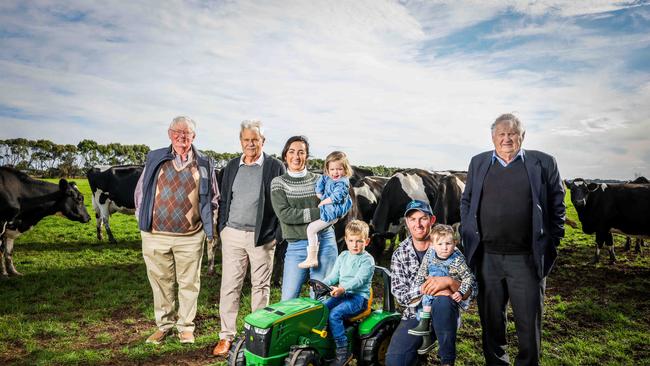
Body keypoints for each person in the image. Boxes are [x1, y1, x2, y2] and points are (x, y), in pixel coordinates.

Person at [460, 113, 565, 366]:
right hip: (487, 258)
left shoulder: (544, 163)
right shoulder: (478, 162)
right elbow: (467, 200)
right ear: (493, 137)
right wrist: (467, 230)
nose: (507, 138)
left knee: (529, 322)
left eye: (512, 133)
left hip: (526, 259)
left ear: (522, 136)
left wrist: (552, 241)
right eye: (501, 134)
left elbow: (557, 204)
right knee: (491, 321)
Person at [134, 116, 219, 345]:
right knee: (161, 282)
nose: (182, 137)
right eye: (178, 132)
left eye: (187, 133)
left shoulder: (204, 162)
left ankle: (186, 328)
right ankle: (164, 326)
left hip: (190, 236)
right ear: (170, 134)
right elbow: (141, 192)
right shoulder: (155, 157)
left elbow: (213, 197)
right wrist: (143, 220)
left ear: (194, 136)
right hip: (155, 235)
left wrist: (206, 227)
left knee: (189, 283)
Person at [211, 120, 286, 357]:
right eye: (246, 139)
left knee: (260, 286)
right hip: (232, 234)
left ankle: (257, 336)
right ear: (241, 141)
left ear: (263, 141)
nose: (250, 144)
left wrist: (275, 233)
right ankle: (226, 336)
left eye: (255, 139)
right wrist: (222, 227)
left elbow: (281, 202)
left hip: (261, 237)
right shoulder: (232, 165)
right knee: (229, 286)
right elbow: (224, 200)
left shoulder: (275, 166)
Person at [386, 200, 462, 366]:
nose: (418, 224)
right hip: (415, 315)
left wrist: (448, 281)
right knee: (394, 361)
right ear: (406, 222)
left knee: (443, 302)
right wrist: (427, 289)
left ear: (432, 220)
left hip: (444, 313)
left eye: (423, 218)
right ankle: (417, 355)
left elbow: (467, 288)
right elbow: (400, 295)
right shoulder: (400, 253)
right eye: (412, 219)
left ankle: (447, 361)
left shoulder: (446, 247)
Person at [270, 135, 339, 300]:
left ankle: (320, 327)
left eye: (301, 152)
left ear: (306, 156)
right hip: (296, 247)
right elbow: (285, 215)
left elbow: (334, 208)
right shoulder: (278, 183)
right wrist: (318, 212)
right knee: (288, 298)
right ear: (285, 155)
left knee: (322, 298)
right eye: (292, 152)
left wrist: (327, 211)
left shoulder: (320, 180)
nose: (296, 156)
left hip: (325, 242)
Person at [408, 224, 477, 360]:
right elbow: (422, 270)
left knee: (441, 298)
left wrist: (460, 292)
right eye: (440, 244)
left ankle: (446, 356)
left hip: (449, 292)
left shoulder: (457, 259)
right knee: (427, 293)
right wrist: (420, 285)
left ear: (455, 243)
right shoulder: (430, 253)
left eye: (448, 243)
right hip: (431, 288)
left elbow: (468, 277)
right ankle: (425, 325)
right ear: (432, 245)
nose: (444, 247)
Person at [322, 220, 375, 366]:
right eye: (351, 240)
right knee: (323, 309)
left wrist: (343, 288)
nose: (355, 245)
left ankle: (343, 351)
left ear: (367, 241)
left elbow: (359, 280)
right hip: (342, 294)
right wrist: (322, 283)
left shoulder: (367, 260)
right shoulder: (343, 256)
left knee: (335, 314)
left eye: (359, 241)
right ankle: (326, 342)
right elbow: (334, 276)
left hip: (358, 298)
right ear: (346, 240)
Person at [299, 151, 353, 269]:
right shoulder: (329, 178)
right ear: (327, 170)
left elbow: (337, 196)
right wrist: (319, 191)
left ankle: (312, 258)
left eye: (339, 169)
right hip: (329, 208)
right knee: (315, 229)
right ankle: (313, 255)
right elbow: (322, 180)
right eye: (332, 169)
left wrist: (323, 201)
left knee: (311, 229)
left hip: (333, 212)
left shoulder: (343, 183)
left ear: (345, 169)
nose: (335, 172)